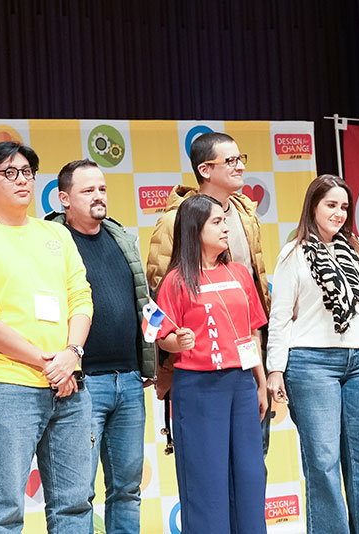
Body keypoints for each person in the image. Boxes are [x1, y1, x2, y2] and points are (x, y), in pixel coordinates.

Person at [0, 141, 93, 533]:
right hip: (9, 388)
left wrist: (71, 354)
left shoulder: (57, 235)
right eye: (9, 173)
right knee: (7, 507)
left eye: (27, 172)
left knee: (74, 504)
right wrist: (50, 363)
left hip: (69, 384)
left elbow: (81, 297)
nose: (22, 181)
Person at [266, 174, 359, 534]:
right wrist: (275, 369)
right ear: (313, 207)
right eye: (330, 205)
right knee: (323, 462)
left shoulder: (356, 249)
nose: (338, 213)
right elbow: (279, 316)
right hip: (311, 363)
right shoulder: (293, 253)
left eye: (344, 206)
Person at [145, 131, 272, 453]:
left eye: (241, 159)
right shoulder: (175, 220)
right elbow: (161, 300)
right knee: (208, 458)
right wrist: (167, 366)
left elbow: (255, 285)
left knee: (252, 455)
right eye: (230, 160)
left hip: (246, 357)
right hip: (198, 367)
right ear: (205, 170)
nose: (240, 166)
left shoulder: (245, 214)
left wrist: (261, 368)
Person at [46, 159, 153, 534]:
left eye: (102, 189)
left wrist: (150, 362)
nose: (98, 196)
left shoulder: (121, 237)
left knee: (127, 491)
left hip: (130, 380)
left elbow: (142, 302)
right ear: (64, 199)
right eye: (88, 190)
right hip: (82, 383)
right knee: (76, 494)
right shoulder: (51, 243)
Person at [155, 194, 268, 534]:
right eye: (216, 222)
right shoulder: (176, 280)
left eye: (225, 221)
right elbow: (161, 336)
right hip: (198, 388)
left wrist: (261, 383)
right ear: (195, 229)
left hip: (242, 385)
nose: (225, 228)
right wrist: (177, 342)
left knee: (250, 475)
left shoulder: (240, 273)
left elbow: (252, 332)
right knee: (206, 480)